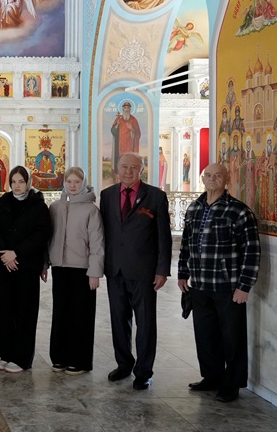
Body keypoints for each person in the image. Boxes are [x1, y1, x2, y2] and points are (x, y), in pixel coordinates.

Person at [178, 163, 261, 403]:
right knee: (205, 336)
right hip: (199, 284)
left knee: (232, 338)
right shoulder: (194, 208)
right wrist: (183, 273)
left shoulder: (239, 211)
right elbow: (186, 244)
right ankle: (211, 377)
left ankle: (232, 384)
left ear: (227, 179)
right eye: (208, 175)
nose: (212, 179)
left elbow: (252, 251)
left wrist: (244, 286)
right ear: (202, 178)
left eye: (218, 175)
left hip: (228, 287)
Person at [100, 153, 172, 390]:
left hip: (144, 271)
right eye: (124, 167)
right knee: (118, 320)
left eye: (133, 167)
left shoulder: (156, 196)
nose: (128, 171)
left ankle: (143, 371)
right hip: (115, 269)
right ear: (117, 169)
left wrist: (162, 270)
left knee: (145, 323)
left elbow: (164, 237)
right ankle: (123, 364)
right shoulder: (107, 195)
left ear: (141, 170)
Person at [0, 166, 52, 373]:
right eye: (14, 181)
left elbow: (40, 235)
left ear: (28, 183)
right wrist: (5, 254)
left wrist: (16, 253)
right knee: (7, 310)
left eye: (21, 181)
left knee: (25, 311)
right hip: (6, 265)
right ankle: (6, 353)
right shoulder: (4, 202)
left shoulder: (38, 205)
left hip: (26, 265)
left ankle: (22, 358)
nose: (17, 186)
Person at [47, 166, 104, 375]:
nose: (72, 185)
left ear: (83, 183)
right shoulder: (55, 207)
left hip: (82, 270)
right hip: (60, 268)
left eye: (76, 182)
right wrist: (45, 264)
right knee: (60, 313)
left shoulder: (91, 210)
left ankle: (80, 360)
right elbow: (49, 238)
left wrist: (94, 272)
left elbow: (97, 243)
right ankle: (60, 357)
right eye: (69, 181)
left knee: (81, 316)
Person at [110, 101, 141, 175]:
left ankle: (129, 174)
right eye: (125, 108)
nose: (126, 109)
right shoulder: (119, 119)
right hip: (119, 144)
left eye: (128, 108)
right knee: (120, 160)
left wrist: (132, 129)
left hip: (130, 145)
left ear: (130, 109)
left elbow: (138, 134)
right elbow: (113, 131)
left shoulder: (134, 120)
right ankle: (119, 174)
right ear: (123, 109)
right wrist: (117, 126)